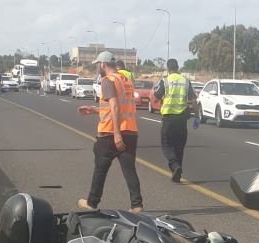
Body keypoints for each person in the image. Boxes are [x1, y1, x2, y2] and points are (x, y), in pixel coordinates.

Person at [77, 51, 143, 213]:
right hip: (130, 131)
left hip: (110, 133)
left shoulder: (108, 80)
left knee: (100, 169)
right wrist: (94, 110)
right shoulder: (125, 80)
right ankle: (137, 205)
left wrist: (116, 133)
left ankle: (92, 202)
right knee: (129, 170)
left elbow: (114, 106)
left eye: (98, 65)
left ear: (103, 64)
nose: (98, 68)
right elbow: (116, 107)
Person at [153, 59, 198, 182]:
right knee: (179, 147)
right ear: (178, 68)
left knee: (166, 145)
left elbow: (155, 98)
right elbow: (194, 100)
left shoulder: (165, 81)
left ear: (168, 68)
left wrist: (156, 94)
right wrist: (197, 117)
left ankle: (175, 165)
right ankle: (177, 175)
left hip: (168, 119)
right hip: (182, 119)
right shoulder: (185, 81)